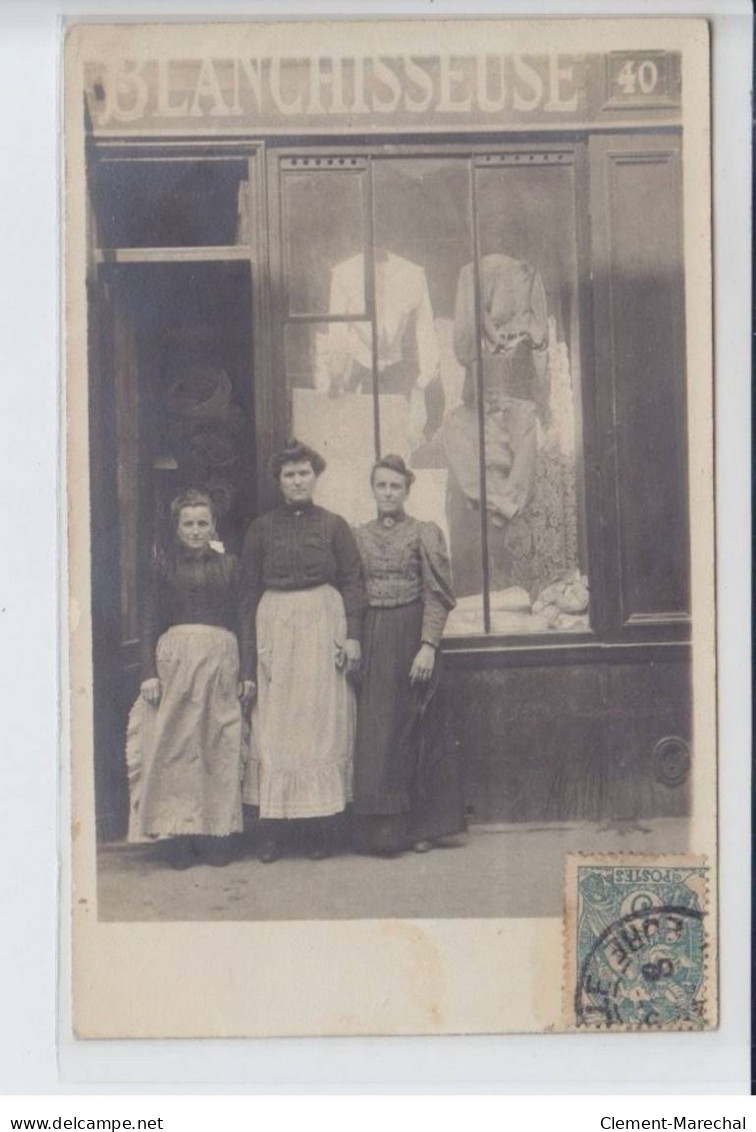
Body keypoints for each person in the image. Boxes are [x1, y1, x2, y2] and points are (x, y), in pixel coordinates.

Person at [239, 440, 364, 862]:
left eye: (304, 473)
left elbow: (352, 581)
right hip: (276, 624)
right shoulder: (261, 529)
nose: (297, 481)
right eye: (289, 475)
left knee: (320, 723)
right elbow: (246, 592)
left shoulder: (334, 526)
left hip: (323, 623)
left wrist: (352, 636)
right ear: (279, 481)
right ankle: (273, 830)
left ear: (315, 477)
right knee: (276, 726)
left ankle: (320, 830)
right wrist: (249, 660)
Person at [352, 455, 465, 855]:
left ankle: (421, 827)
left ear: (406, 491)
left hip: (412, 636)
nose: (387, 493)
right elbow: (352, 594)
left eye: (395, 486)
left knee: (416, 728)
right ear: (373, 489)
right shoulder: (357, 536)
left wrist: (429, 646)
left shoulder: (424, 533)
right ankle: (385, 830)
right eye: (381, 485)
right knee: (379, 733)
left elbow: (438, 594)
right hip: (373, 636)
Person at [126, 489, 245, 869]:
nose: (195, 530)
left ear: (213, 525)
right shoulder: (163, 568)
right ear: (177, 528)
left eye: (202, 523)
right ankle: (178, 835)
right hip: (175, 662)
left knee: (216, 743)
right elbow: (147, 622)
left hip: (219, 662)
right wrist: (148, 672)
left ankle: (216, 834)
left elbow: (244, 620)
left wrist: (248, 674)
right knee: (176, 745)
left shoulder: (230, 566)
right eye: (188, 524)